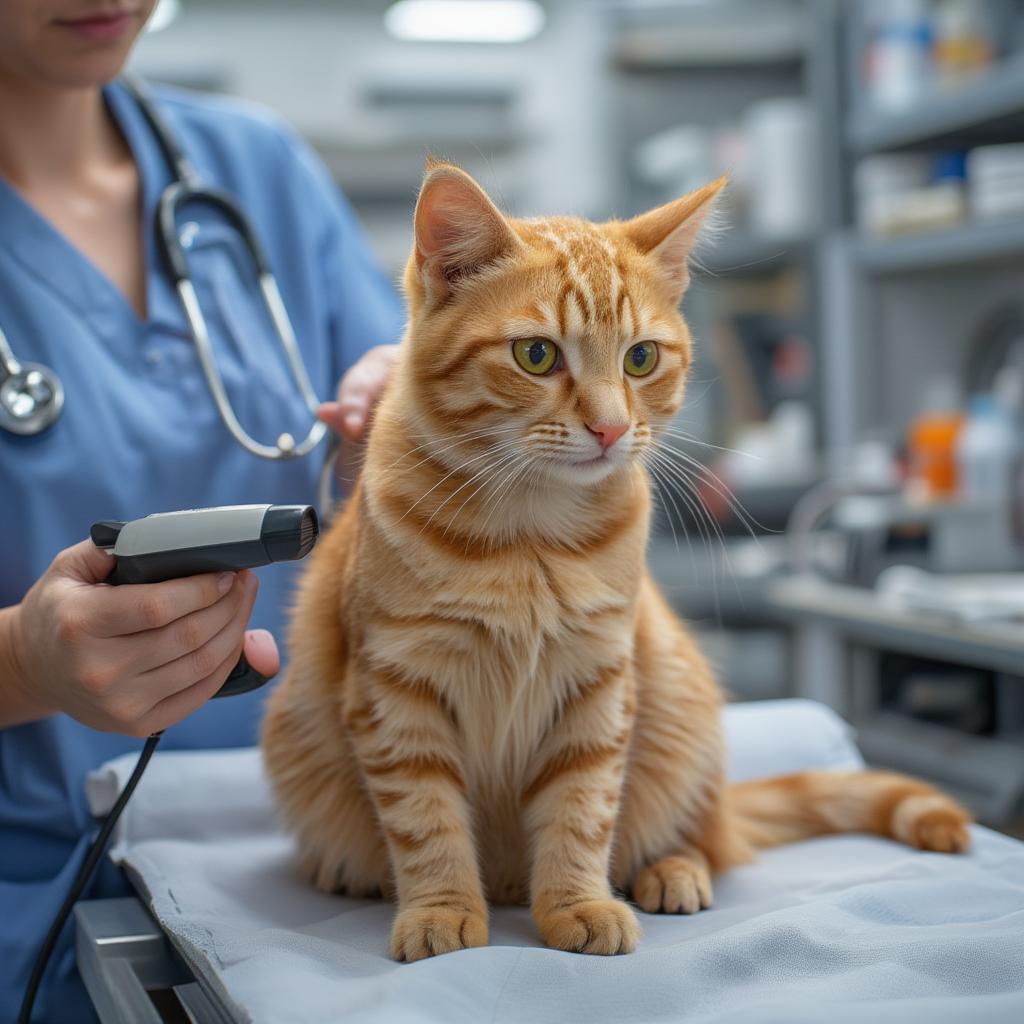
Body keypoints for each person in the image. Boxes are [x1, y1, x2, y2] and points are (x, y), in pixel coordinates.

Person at [0, 2, 405, 1019]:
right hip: (31, 909)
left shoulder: (254, 170)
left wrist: (416, 437)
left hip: (318, 865)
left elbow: (386, 481)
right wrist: (24, 663)